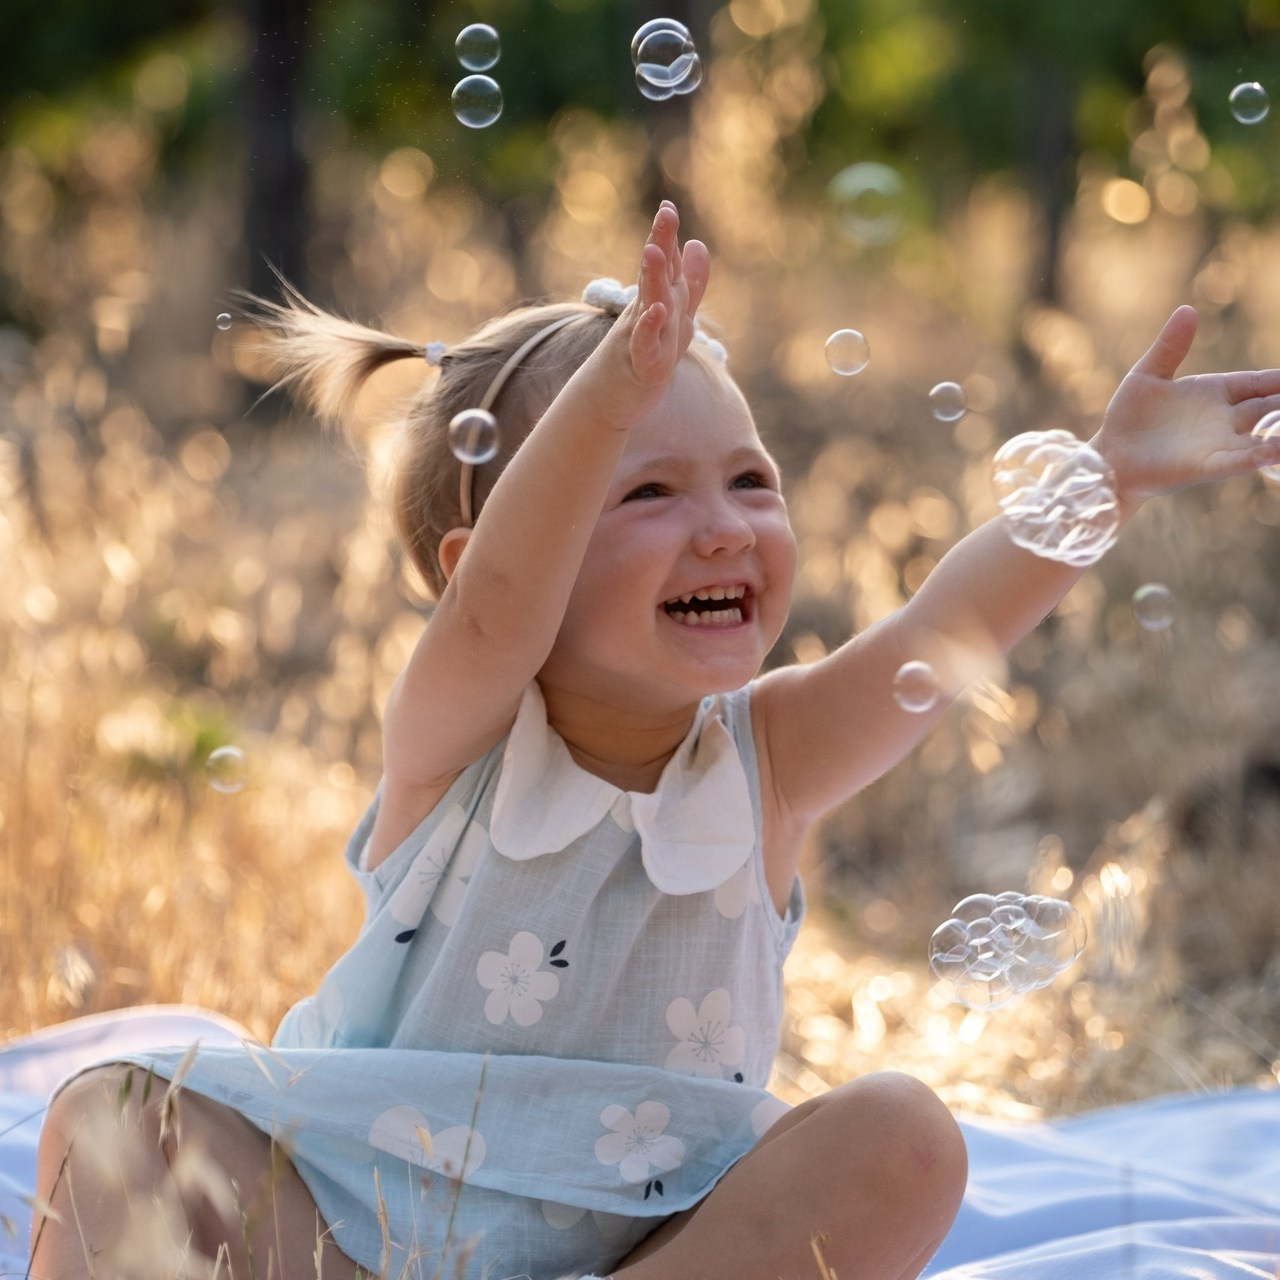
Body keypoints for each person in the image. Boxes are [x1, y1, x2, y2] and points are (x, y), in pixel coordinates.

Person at [29, 201, 1280, 1280]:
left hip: (659, 1239)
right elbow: (500, 606)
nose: (726, 526)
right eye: (645, 488)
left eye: (749, 479)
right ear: (489, 556)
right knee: (116, 1113)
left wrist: (1099, 481)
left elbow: (935, 632)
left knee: (905, 1134)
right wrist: (608, 389)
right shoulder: (458, 740)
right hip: (367, 1228)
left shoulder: (768, 757)